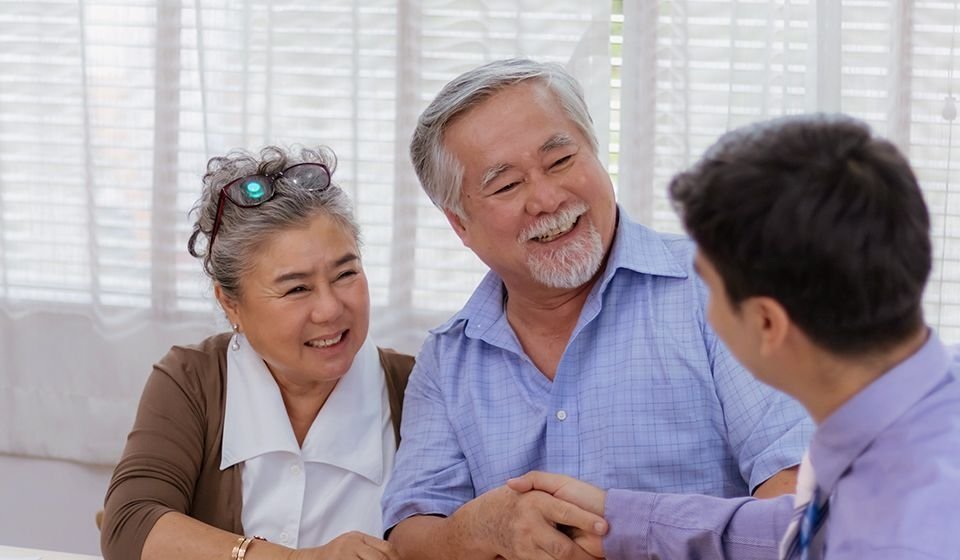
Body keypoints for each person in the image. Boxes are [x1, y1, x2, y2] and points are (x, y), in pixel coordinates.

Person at [381, 58, 812, 560]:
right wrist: (478, 531)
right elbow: (412, 533)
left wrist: (629, 527)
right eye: (505, 185)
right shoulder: (447, 359)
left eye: (561, 160)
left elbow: (801, 502)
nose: (546, 197)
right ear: (461, 225)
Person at [509, 114, 960, 559]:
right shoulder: (903, 425)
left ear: (766, 324)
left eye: (707, 284)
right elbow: (796, 526)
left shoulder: (901, 537)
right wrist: (625, 521)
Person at [101, 146, 408, 560]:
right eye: (297, 288)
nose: (331, 308)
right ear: (231, 304)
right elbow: (129, 526)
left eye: (346, 274)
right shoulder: (192, 379)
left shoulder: (417, 387)